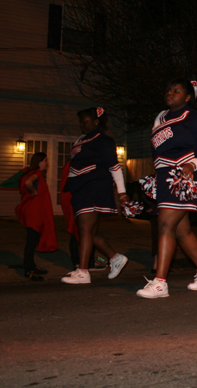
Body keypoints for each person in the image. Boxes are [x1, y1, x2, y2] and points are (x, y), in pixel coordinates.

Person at [136, 79, 197, 298]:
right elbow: (159, 153)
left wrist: (193, 164)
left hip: (183, 177)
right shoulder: (160, 118)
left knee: (165, 225)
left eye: (177, 90)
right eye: (168, 89)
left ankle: (160, 283)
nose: (170, 93)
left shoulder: (195, 118)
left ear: (188, 97)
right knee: (182, 230)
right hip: (164, 177)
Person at [61, 108, 130, 285]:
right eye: (81, 122)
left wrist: (122, 193)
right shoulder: (81, 140)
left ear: (96, 122)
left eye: (85, 122)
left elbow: (115, 167)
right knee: (90, 232)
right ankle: (115, 258)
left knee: (84, 229)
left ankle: (83, 271)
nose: (82, 125)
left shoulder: (103, 140)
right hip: (80, 189)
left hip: (94, 187)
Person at [15, 152, 58, 281]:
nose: (47, 163)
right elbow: (29, 182)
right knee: (31, 241)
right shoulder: (37, 173)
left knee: (32, 240)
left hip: (31, 211)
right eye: (45, 161)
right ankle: (29, 271)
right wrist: (34, 192)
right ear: (39, 162)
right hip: (34, 213)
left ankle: (31, 265)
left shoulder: (31, 172)